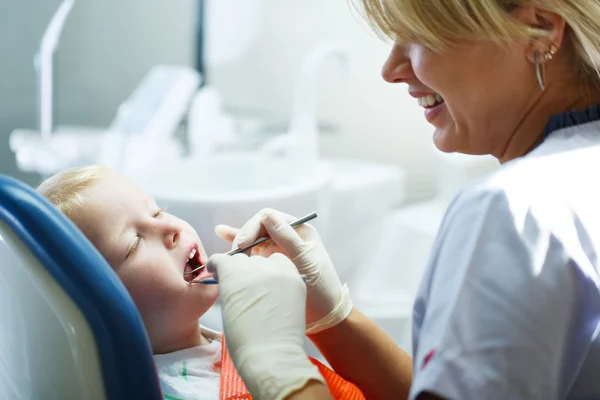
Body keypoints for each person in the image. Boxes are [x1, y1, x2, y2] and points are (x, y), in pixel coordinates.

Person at [206, 1, 600, 399]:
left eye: (418, 36)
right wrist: (333, 318)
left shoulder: (513, 209)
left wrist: (275, 363)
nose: (391, 69)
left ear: (541, 29)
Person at [37, 165, 365, 400]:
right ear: (95, 316)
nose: (171, 229)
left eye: (157, 212)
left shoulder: (203, 338)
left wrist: (332, 316)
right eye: (134, 243)